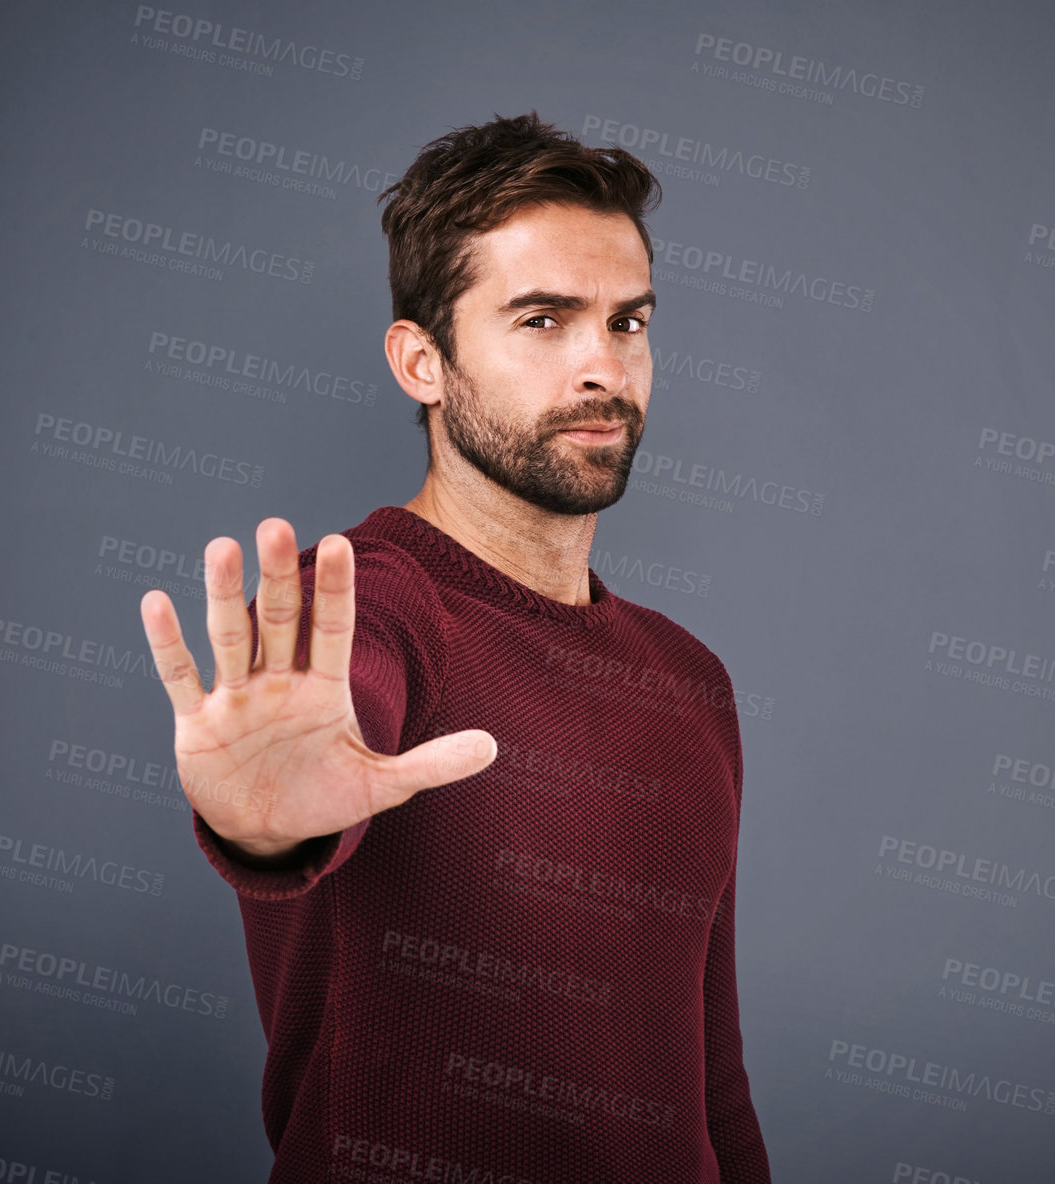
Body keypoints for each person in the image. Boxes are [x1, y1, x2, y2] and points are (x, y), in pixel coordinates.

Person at [139, 112, 771, 1184]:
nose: (600, 368)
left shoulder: (693, 679)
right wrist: (262, 827)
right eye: (542, 319)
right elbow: (346, 692)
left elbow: (712, 1084)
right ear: (421, 361)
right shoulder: (372, 604)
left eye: (628, 322)